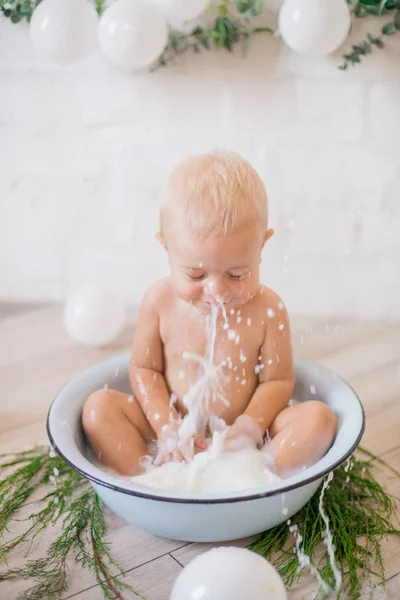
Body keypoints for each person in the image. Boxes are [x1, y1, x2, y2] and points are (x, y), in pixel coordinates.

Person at [82, 151, 337, 476]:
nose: (216, 291)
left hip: (249, 437)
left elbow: (278, 380)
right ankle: (151, 480)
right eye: (196, 275)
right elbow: (145, 370)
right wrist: (167, 427)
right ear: (166, 249)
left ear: (261, 246)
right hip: (170, 429)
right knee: (98, 409)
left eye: (236, 274)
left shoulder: (269, 310)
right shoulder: (159, 302)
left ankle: (258, 478)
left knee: (319, 419)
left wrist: (249, 428)